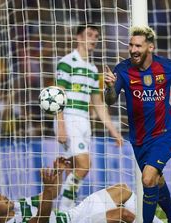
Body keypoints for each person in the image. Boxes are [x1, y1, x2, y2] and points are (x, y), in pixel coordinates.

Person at [104, 26, 171, 223]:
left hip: (164, 132)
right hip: (139, 137)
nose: (133, 50)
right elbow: (110, 100)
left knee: (148, 178)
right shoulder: (122, 70)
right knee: (156, 179)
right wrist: (109, 88)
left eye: (138, 46)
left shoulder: (168, 66)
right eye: (131, 45)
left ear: (150, 47)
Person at [55, 24, 123, 211]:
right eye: (89, 35)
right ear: (78, 37)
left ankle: (66, 210)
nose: (93, 38)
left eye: (96, 36)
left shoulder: (93, 69)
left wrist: (113, 131)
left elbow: (99, 104)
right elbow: (57, 95)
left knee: (74, 169)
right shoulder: (67, 62)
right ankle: (64, 211)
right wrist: (60, 125)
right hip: (68, 118)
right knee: (85, 165)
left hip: (85, 120)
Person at [0, 158, 163, 223]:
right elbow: (41, 219)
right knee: (123, 214)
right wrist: (47, 190)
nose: (2, 195)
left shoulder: (18, 205)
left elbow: (51, 195)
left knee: (122, 190)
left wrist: (59, 175)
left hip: (74, 214)